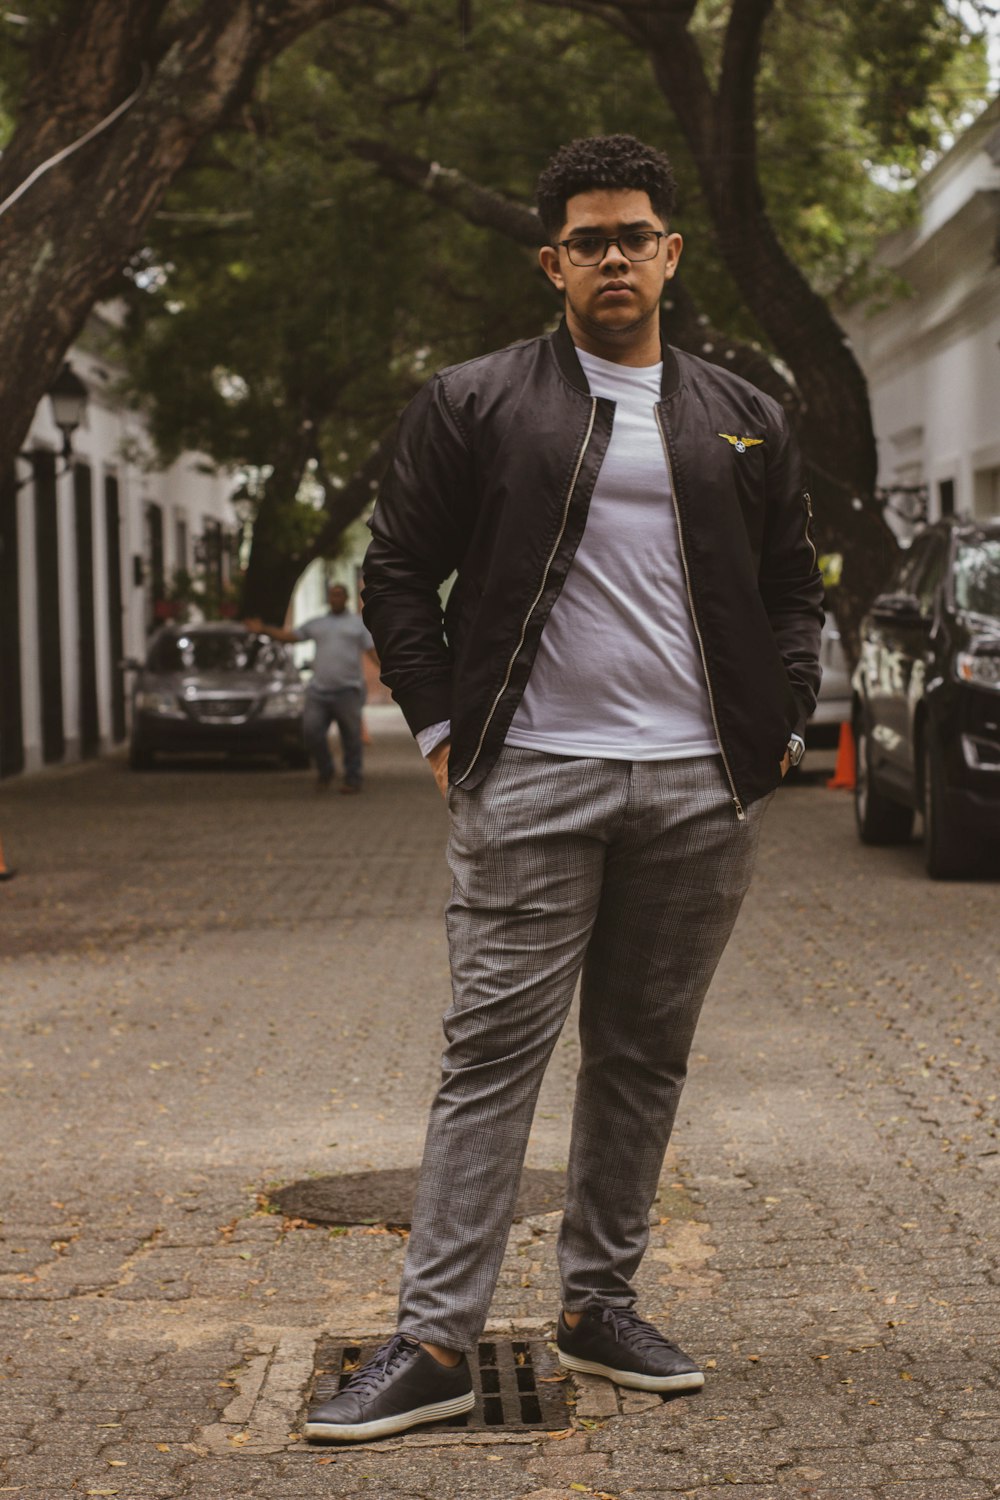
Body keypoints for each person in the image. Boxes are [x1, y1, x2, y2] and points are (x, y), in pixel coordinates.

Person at [304, 134, 823, 1443]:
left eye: (632, 235)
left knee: (645, 1056)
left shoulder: (740, 409)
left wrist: (771, 734)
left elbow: (791, 585)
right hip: (532, 776)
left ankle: (598, 1303)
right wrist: (438, 732)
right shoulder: (474, 402)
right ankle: (432, 1340)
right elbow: (397, 572)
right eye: (586, 240)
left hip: (697, 790)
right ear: (552, 263)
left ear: (670, 253)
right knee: (492, 1057)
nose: (611, 257)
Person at [244, 583, 378, 793]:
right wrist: (264, 629)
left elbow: (372, 653)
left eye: (339, 595)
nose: (335, 598)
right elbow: (290, 637)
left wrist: (391, 672)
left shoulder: (357, 625)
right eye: (332, 595)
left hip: (348, 690)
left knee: (351, 738)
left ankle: (353, 778)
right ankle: (326, 770)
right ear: (329, 598)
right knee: (311, 732)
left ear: (346, 598)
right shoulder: (318, 624)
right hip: (319, 691)